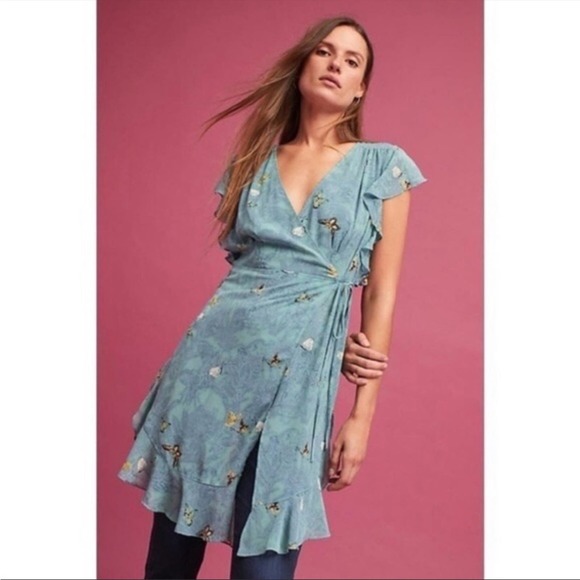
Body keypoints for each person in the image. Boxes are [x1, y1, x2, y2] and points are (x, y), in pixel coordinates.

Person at [117, 14, 427, 580]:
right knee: (169, 564)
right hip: (209, 372)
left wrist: (361, 416)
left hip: (300, 386)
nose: (335, 65)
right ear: (304, 63)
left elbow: (381, 292)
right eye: (325, 52)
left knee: (263, 567)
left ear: (360, 88)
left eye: (351, 61)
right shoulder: (254, 163)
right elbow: (248, 275)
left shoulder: (383, 167)